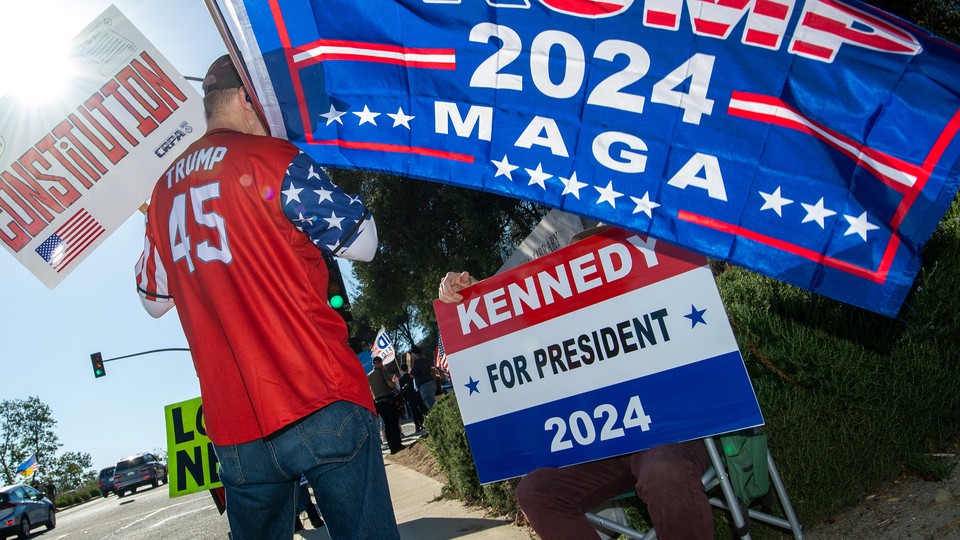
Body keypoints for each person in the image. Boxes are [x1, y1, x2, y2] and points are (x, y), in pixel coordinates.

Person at [134, 54, 399, 540]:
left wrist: (153, 226)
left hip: (236, 429)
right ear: (246, 97)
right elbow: (364, 242)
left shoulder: (163, 194)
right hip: (319, 393)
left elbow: (152, 299)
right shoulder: (274, 159)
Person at [436, 225, 713, 540]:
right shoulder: (568, 326)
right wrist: (470, 296)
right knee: (535, 491)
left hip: (670, 437)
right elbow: (511, 341)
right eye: (586, 256)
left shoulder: (659, 294)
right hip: (607, 449)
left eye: (606, 253)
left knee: (662, 470)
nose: (596, 263)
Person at [368, 355, 405, 454]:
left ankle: (392, 448)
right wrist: (394, 384)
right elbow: (390, 385)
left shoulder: (369, 375)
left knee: (387, 425)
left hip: (378, 403)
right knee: (393, 422)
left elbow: (370, 390)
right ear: (380, 363)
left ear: (373, 364)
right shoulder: (382, 371)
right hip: (388, 400)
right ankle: (398, 444)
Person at [398, 361, 426, 432]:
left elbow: (402, 390)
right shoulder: (411, 376)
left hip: (409, 397)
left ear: (401, 370)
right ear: (407, 368)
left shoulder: (401, 380)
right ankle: (423, 423)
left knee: (414, 412)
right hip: (416, 394)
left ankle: (417, 426)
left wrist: (404, 398)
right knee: (421, 408)